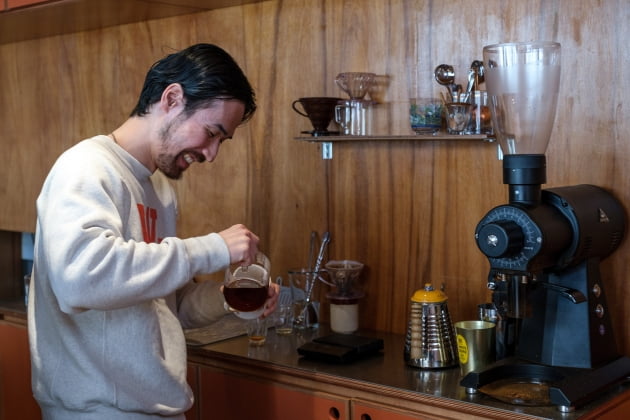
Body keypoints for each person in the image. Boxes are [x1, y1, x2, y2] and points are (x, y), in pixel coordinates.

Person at [27, 43, 279, 419]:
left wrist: (227, 298)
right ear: (173, 98)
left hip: (154, 407)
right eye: (212, 132)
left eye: (221, 141)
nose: (212, 154)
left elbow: (163, 306)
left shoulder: (159, 190)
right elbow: (80, 279)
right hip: (98, 411)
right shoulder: (86, 168)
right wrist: (212, 248)